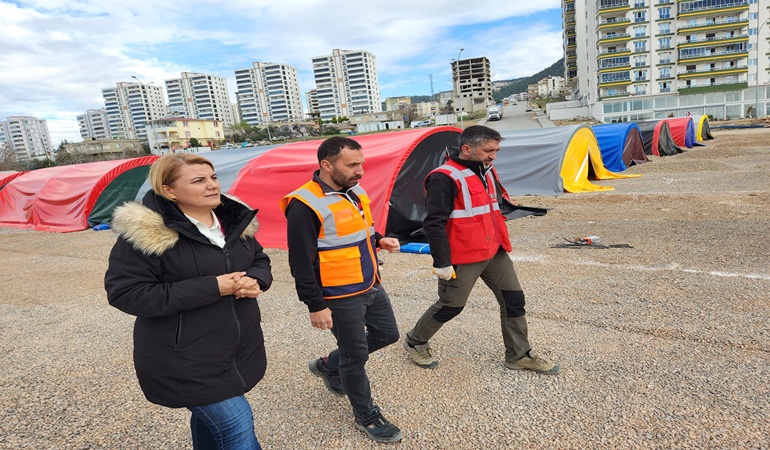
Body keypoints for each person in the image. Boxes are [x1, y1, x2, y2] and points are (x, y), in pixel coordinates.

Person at [105, 153, 273, 449]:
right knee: (237, 428)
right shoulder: (148, 233)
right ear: (169, 191)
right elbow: (126, 293)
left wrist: (256, 279)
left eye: (213, 178)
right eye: (198, 181)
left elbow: (259, 259)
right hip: (185, 359)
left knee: (213, 426)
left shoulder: (234, 221)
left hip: (237, 350)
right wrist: (213, 287)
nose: (212, 186)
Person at [403, 125, 559, 375]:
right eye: (488, 150)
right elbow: (434, 223)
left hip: (494, 250)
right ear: (467, 149)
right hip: (464, 255)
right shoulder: (444, 177)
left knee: (514, 301)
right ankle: (415, 340)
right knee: (451, 306)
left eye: (496, 150)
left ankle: (519, 355)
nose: (493, 156)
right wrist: (441, 261)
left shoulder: (485, 171)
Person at [280, 136, 403, 443]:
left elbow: (360, 231)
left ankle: (326, 366)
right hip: (338, 294)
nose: (360, 170)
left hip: (370, 281)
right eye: (352, 165)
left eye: (361, 163)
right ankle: (366, 414)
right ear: (326, 165)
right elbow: (300, 262)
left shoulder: (355, 191)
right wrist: (315, 304)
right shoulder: (303, 204)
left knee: (388, 334)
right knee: (355, 354)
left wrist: (379, 240)